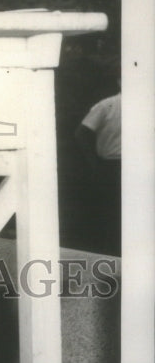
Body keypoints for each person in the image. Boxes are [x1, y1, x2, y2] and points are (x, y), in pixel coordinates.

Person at [75, 90, 121, 255]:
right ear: (119, 80)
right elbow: (82, 133)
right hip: (112, 166)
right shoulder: (107, 105)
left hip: (141, 167)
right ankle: (110, 253)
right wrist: (93, 161)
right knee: (111, 212)